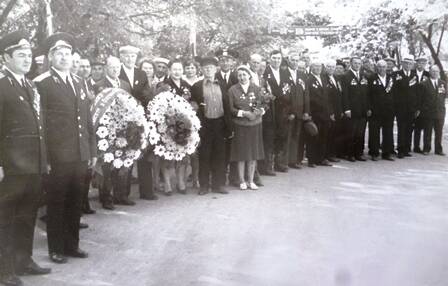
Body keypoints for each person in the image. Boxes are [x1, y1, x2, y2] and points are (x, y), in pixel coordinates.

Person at [34, 32, 97, 264]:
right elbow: (40, 125)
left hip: (80, 154)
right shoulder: (42, 84)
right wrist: (46, 157)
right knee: (57, 202)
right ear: (50, 58)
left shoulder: (79, 82)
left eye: (67, 53)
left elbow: (87, 120)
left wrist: (92, 151)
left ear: (73, 57)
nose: (64, 57)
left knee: (75, 200)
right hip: (57, 156)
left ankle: (72, 245)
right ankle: (56, 248)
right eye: (58, 54)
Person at [0, 31, 51, 286]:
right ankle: (4, 270)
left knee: (27, 216)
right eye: (20, 55)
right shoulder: (1, 86)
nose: (26, 59)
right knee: (5, 218)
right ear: (5, 57)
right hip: (11, 166)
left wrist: (44, 161)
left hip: (33, 165)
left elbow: (39, 127)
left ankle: (24, 260)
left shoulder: (29, 85)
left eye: (29, 55)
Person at [119, 45, 157, 204]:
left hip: (140, 118)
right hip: (122, 118)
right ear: (121, 57)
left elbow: (146, 94)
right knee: (125, 155)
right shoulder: (117, 71)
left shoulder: (141, 74)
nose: (129, 59)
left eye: (132, 56)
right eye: (126, 56)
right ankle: (123, 194)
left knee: (143, 154)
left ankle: (146, 191)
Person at [94, 56, 133, 209]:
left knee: (121, 161)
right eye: (112, 67)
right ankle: (106, 198)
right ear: (106, 68)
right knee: (107, 164)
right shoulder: (99, 85)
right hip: (106, 129)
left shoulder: (125, 84)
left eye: (117, 67)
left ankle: (121, 195)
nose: (115, 70)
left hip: (123, 129)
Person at [191, 56, 231, 195]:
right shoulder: (196, 86)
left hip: (220, 124)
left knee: (220, 155)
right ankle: (203, 186)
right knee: (204, 155)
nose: (208, 70)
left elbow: (227, 105)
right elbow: (193, 105)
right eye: (206, 68)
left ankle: (218, 185)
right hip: (205, 125)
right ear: (202, 70)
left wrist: (228, 126)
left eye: (211, 68)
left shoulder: (223, 84)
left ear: (216, 69)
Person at [155, 59, 192, 195]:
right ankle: (167, 184)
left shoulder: (186, 85)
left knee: (182, 154)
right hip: (168, 124)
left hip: (183, 125)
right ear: (169, 70)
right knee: (168, 154)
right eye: (174, 69)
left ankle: (181, 182)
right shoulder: (163, 84)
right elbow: (158, 106)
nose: (177, 72)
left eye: (180, 69)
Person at [227, 66, 265, 190]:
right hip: (240, 126)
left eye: (244, 74)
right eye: (239, 75)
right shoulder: (232, 90)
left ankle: (251, 180)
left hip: (254, 125)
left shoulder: (257, 89)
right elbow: (231, 109)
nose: (242, 77)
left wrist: (256, 114)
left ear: (249, 75)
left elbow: (264, 106)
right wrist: (243, 113)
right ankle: (242, 180)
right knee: (241, 154)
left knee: (253, 154)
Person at [263, 50, 292, 173]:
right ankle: (267, 166)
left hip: (282, 111)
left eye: (278, 58)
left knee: (281, 137)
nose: (276, 60)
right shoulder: (265, 72)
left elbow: (289, 92)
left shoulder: (285, 73)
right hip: (270, 110)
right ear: (270, 58)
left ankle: (279, 163)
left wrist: (289, 110)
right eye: (274, 58)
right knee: (269, 138)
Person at [215, 48, 239, 187]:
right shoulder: (214, 76)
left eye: (228, 60)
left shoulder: (237, 77)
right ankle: (220, 178)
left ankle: (234, 177)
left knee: (234, 148)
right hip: (219, 118)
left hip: (234, 118)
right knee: (220, 150)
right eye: (222, 60)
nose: (225, 62)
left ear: (232, 62)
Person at [341, 56, 369, 162]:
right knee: (351, 132)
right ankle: (350, 154)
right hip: (352, 110)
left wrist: (367, 108)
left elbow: (367, 93)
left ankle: (359, 153)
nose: (357, 65)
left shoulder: (363, 76)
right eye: (355, 63)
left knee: (360, 133)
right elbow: (345, 94)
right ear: (351, 64)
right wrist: (347, 109)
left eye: (359, 63)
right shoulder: (346, 76)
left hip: (362, 110)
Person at [306, 60, 334, 167]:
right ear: (312, 67)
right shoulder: (309, 80)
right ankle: (312, 160)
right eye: (315, 66)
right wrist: (309, 113)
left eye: (319, 66)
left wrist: (331, 112)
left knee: (324, 136)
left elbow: (329, 97)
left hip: (325, 113)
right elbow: (308, 98)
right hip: (315, 113)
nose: (318, 68)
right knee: (313, 136)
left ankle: (321, 158)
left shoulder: (324, 79)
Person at [367, 60, 395, 161]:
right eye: (379, 66)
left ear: (386, 67)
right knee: (374, 132)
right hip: (375, 110)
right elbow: (367, 95)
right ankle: (374, 153)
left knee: (388, 132)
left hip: (388, 110)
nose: (382, 69)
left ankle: (386, 153)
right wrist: (369, 108)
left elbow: (394, 94)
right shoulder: (371, 78)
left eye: (384, 67)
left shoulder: (391, 78)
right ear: (376, 67)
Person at [286, 53, 310, 169]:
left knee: (296, 136)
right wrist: (288, 112)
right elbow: (284, 96)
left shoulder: (302, 75)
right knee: (287, 137)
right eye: (293, 60)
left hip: (300, 112)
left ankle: (293, 161)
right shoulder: (283, 74)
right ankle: (284, 162)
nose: (295, 62)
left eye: (296, 60)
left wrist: (306, 111)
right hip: (289, 113)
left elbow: (306, 94)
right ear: (289, 61)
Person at [392, 56, 419, 158]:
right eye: (406, 63)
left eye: (410, 64)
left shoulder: (414, 75)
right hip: (400, 107)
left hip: (411, 107)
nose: (408, 65)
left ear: (412, 65)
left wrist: (416, 107)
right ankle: (400, 149)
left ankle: (407, 149)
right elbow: (394, 91)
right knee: (401, 128)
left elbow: (416, 92)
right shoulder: (396, 75)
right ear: (402, 64)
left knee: (409, 128)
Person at [419, 65, 446, 155]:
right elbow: (420, 99)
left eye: (437, 71)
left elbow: (444, 96)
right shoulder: (423, 84)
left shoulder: (443, 83)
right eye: (433, 71)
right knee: (428, 131)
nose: (435, 73)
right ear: (429, 72)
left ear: (439, 73)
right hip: (428, 112)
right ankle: (426, 148)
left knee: (439, 132)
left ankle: (438, 149)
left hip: (440, 112)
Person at [322, 60, 344, 162]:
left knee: (335, 133)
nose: (331, 69)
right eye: (329, 67)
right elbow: (326, 98)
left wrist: (340, 111)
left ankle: (332, 154)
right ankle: (326, 155)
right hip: (329, 111)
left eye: (333, 67)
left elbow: (339, 95)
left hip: (338, 110)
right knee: (328, 134)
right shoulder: (323, 78)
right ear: (326, 68)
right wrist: (330, 112)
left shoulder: (336, 78)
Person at [413, 56, 430, 153]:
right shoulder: (411, 73)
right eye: (420, 62)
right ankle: (405, 146)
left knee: (419, 126)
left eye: (424, 63)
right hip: (411, 103)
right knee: (409, 126)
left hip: (423, 105)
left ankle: (417, 146)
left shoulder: (427, 74)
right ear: (416, 63)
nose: (421, 65)